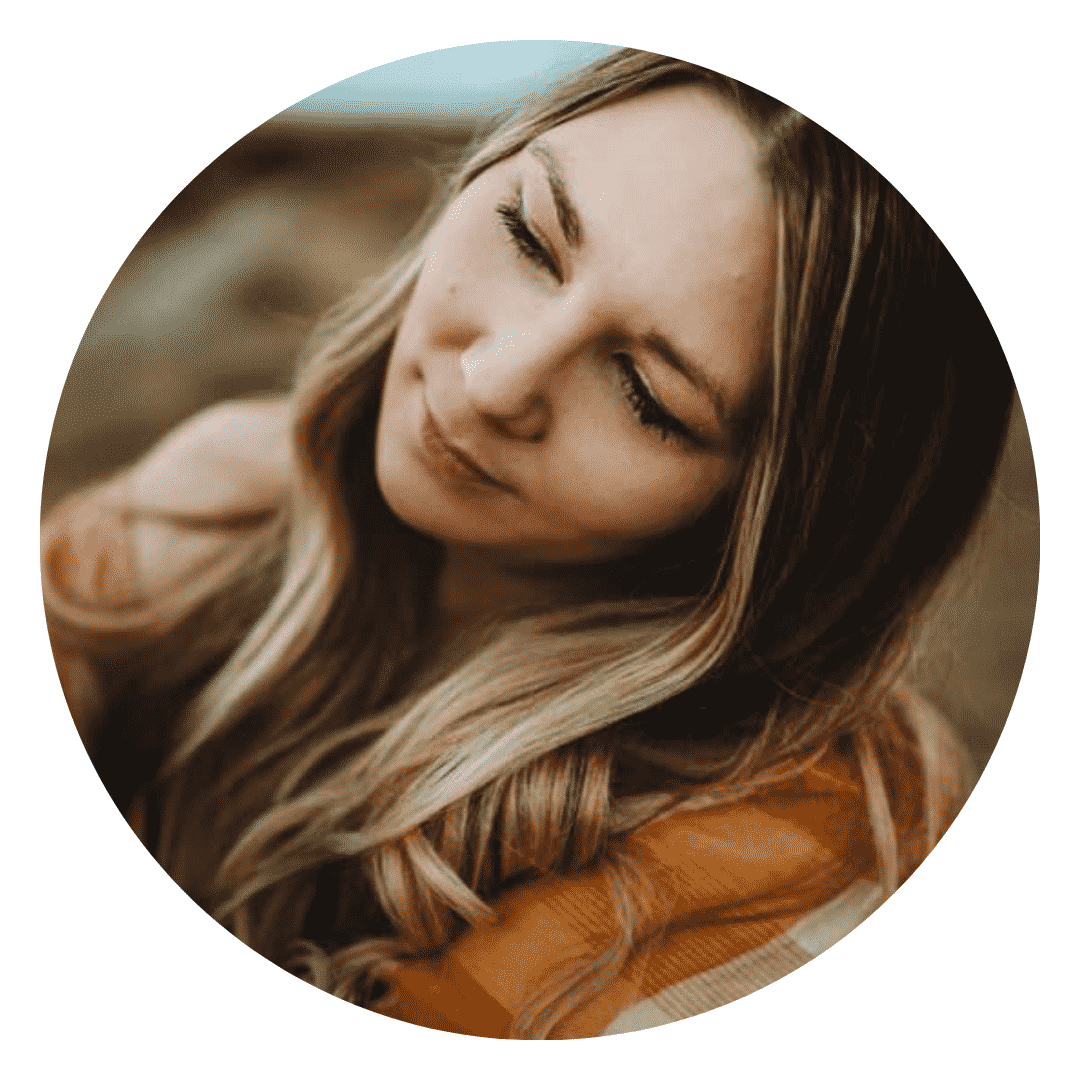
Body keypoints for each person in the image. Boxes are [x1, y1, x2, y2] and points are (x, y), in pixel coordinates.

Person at [41, 48, 1015, 1039]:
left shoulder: (767, 881)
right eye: (529, 237)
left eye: (647, 395)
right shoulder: (219, 503)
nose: (497, 381)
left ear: (786, 531)